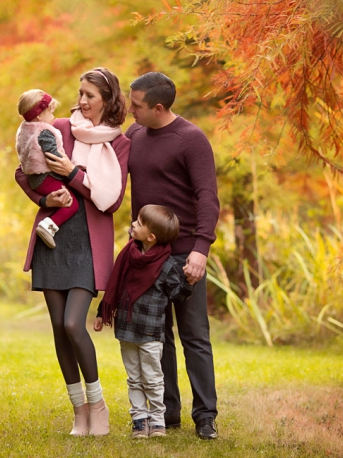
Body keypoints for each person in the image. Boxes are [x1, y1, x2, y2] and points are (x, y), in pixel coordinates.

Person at [15, 67, 130, 436]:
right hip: (53, 237)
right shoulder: (60, 127)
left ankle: (98, 404)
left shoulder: (121, 143)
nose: (80, 101)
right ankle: (79, 411)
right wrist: (44, 196)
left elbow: (110, 201)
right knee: (57, 328)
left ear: (108, 100)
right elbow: (24, 172)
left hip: (87, 242)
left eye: (90, 96)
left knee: (72, 324)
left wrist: (72, 173)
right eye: (80, 93)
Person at [125, 72, 221, 440]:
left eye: (136, 105)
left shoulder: (191, 140)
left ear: (158, 108)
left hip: (185, 257)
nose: (130, 110)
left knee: (194, 336)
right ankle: (167, 412)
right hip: (148, 254)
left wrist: (200, 250)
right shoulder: (134, 135)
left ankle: (206, 416)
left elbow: (207, 198)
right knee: (156, 337)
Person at [93, 204, 194, 439]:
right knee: (134, 377)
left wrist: (188, 281)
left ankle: (157, 420)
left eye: (138, 223)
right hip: (126, 330)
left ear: (151, 236)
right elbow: (114, 288)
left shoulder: (167, 266)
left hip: (150, 333)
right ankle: (139, 419)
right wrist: (101, 312)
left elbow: (176, 295)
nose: (133, 225)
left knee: (153, 378)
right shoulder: (128, 255)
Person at [15, 89, 78, 248]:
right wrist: (70, 167)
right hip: (46, 178)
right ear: (39, 115)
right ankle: (49, 226)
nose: (54, 117)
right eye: (50, 112)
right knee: (72, 203)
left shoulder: (25, 128)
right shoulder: (44, 132)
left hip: (34, 179)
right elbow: (53, 157)